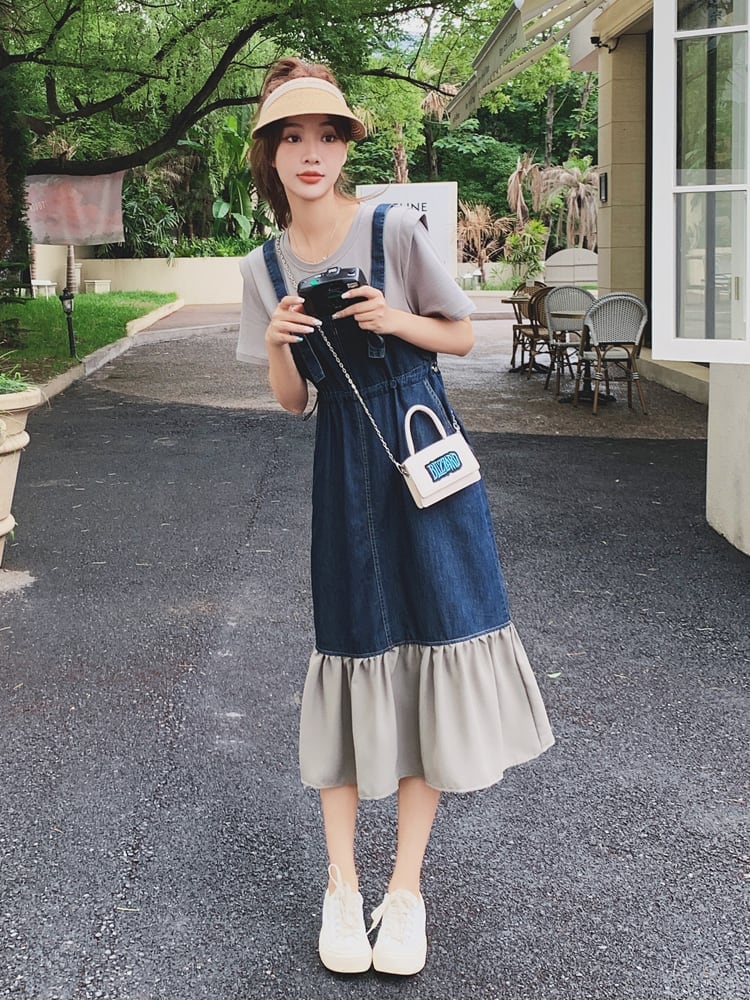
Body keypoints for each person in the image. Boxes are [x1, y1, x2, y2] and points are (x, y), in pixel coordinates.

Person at [237, 57, 554, 977]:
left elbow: (461, 333)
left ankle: (404, 891)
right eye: (291, 137)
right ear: (270, 155)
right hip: (343, 469)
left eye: (327, 136)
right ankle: (342, 886)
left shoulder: (393, 228)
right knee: (350, 648)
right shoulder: (262, 266)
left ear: (345, 148)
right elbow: (292, 403)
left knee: (430, 648)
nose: (311, 153)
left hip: (425, 454)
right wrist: (278, 344)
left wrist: (393, 319)